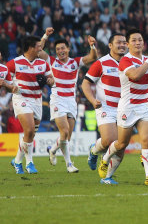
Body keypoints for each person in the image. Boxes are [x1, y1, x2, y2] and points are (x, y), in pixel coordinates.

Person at [97, 28, 148, 185]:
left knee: (146, 140)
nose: (138, 43)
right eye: (134, 40)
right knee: (121, 144)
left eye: (140, 40)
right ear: (128, 44)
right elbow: (135, 75)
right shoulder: (125, 60)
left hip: (143, 105)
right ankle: (106, 158)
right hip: (127, 107)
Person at [40, 28, 97, 173]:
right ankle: (69, 164)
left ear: (68, 49)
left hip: (71, 102)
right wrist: (46, 35)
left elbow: (92, 57)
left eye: (63, 48)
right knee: (64, 131)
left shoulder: (75, 62)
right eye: (58, 49)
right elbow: (38, 50)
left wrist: (92, 46)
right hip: (57, 100)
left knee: (67, 136)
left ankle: (52, 150)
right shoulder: (52, 61)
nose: (60, 51)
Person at [8, 36, 55, 174]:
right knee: (29, 131)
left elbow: (52, 80)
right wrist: (10, 86)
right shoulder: (15, 63)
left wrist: (47, 80)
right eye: (38, 46)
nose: (41, 48)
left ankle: (17, 161)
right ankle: (29, 163)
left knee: (30, 135)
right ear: (30, 48)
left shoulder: (43, 64)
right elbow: (5, 78)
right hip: (21, 98)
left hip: (37, 101)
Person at [83, 33, 127, 173]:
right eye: (118, 42)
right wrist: (92, 100)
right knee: (109, 139)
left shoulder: (130, 62)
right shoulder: (101, 63)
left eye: (124, 42)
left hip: (124, 108)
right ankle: (94, 151)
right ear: (110, 45)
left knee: (120, 146)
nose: (122, 45)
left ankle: (108, 176)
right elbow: (85, 84)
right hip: (105, 107)